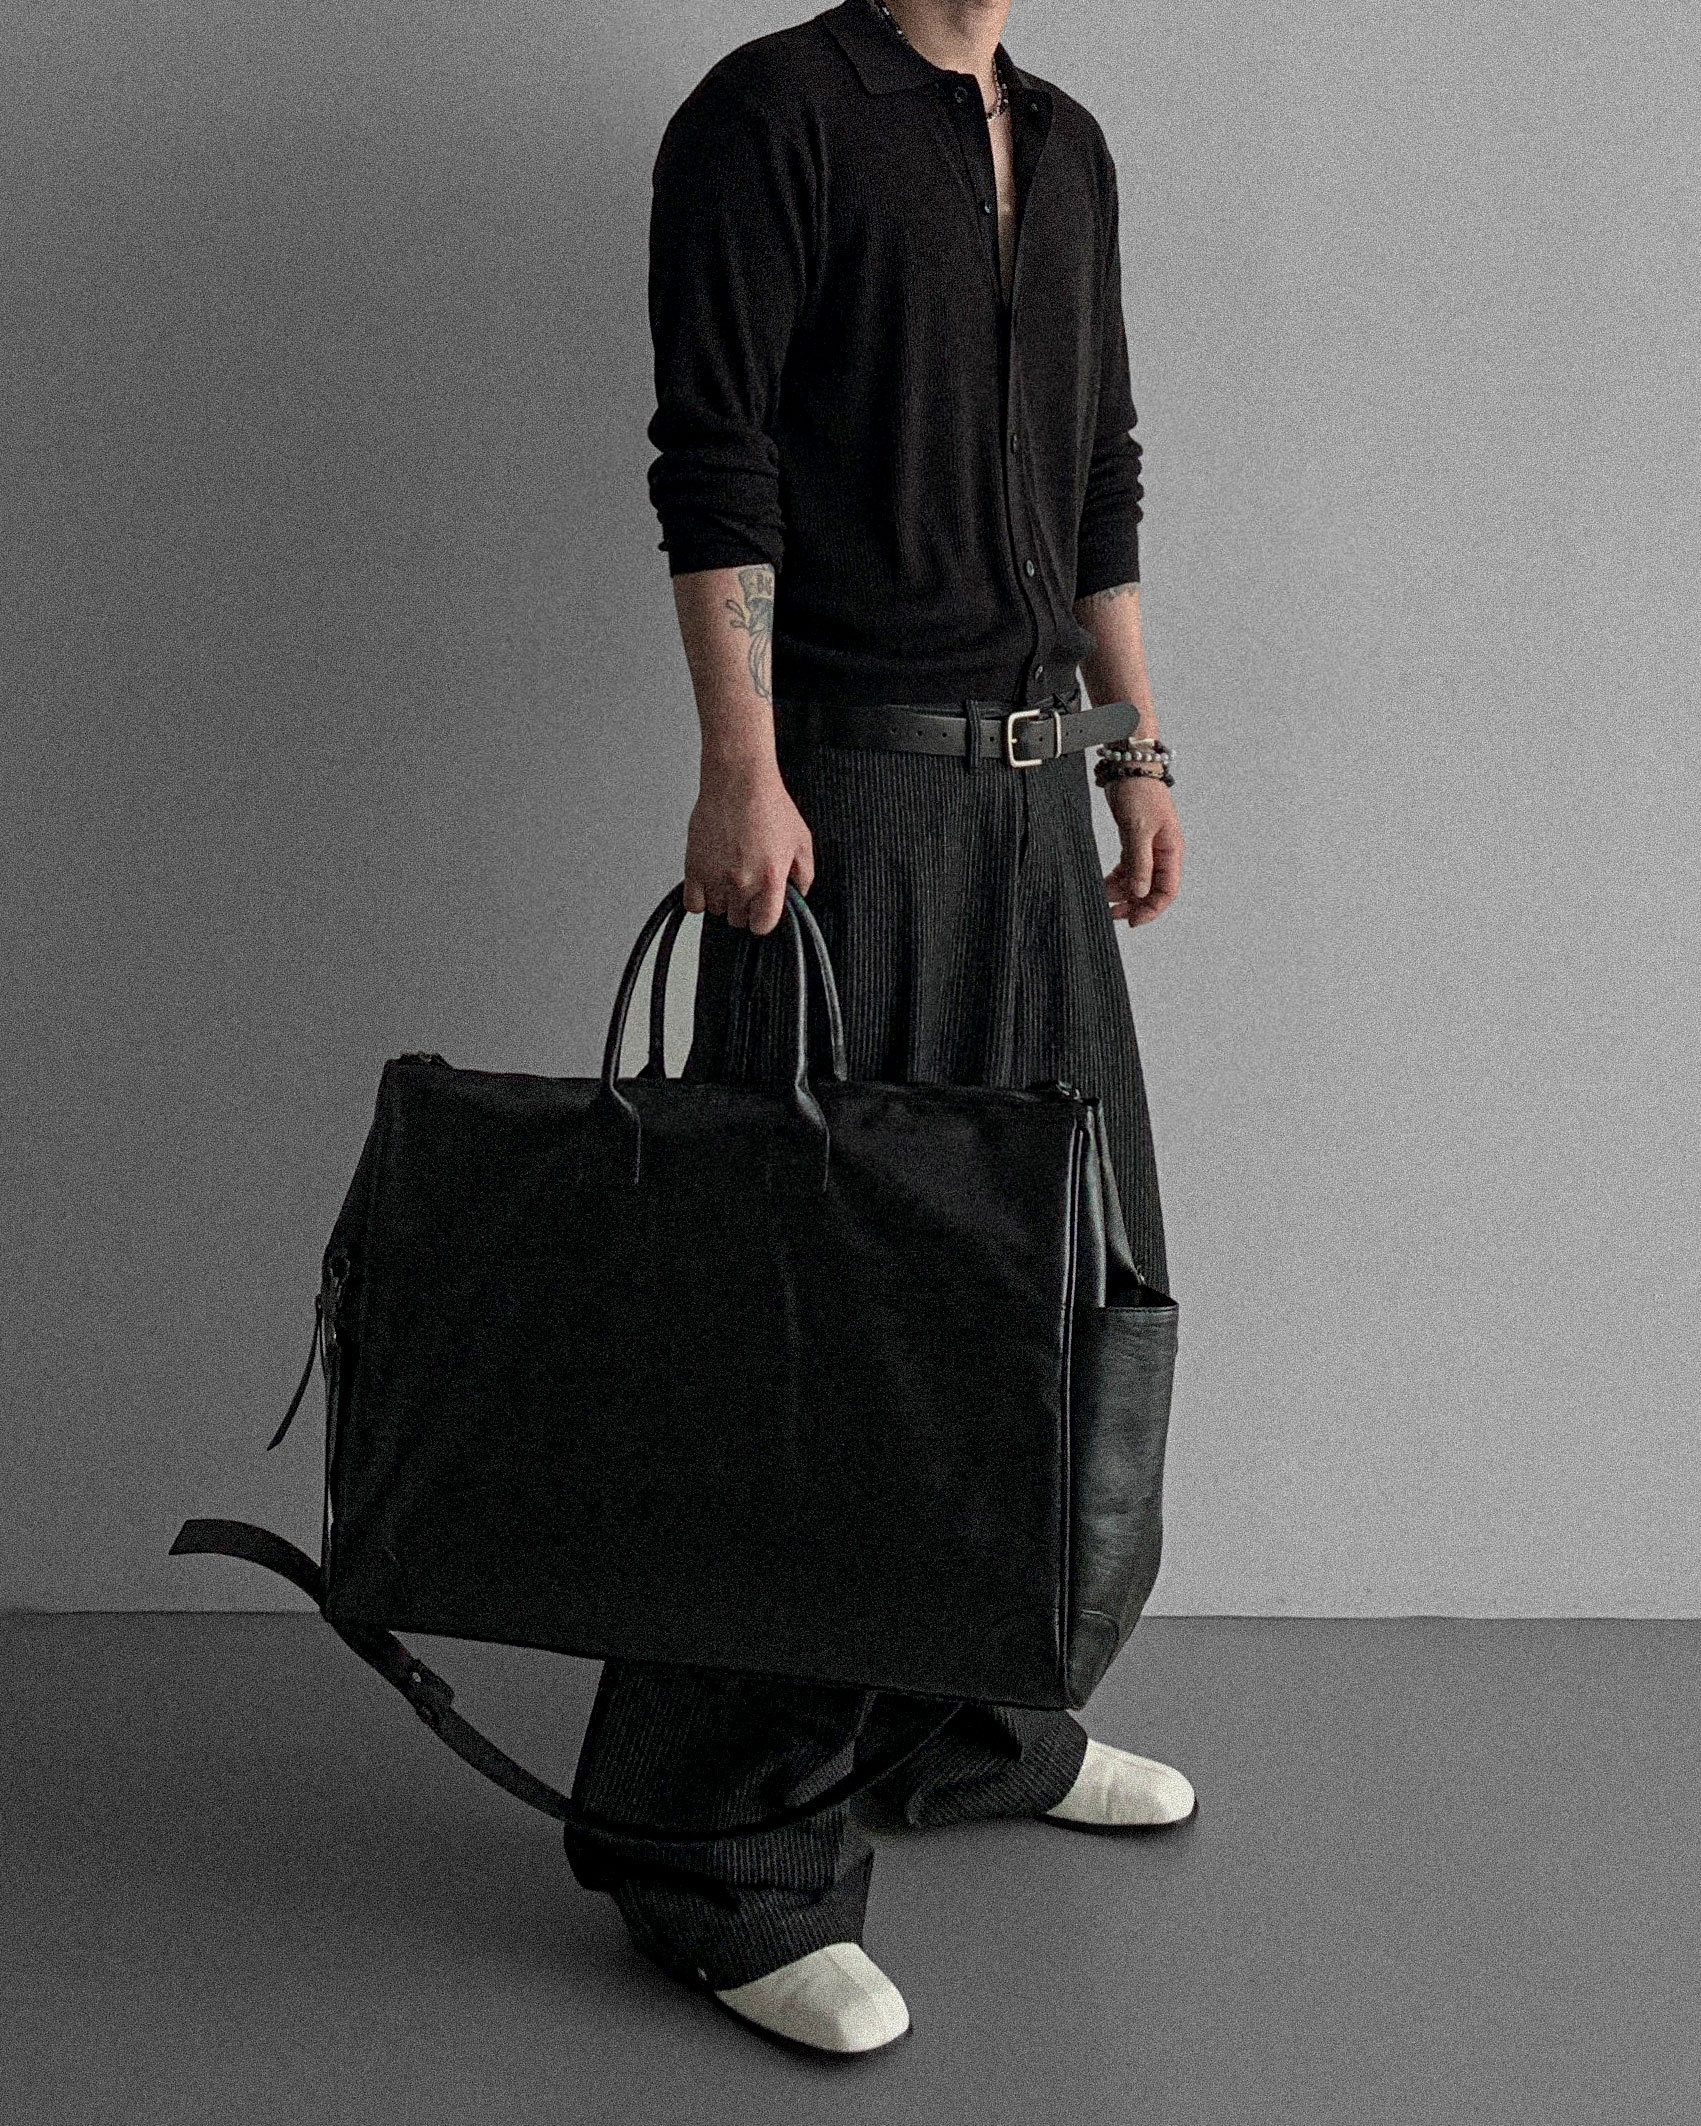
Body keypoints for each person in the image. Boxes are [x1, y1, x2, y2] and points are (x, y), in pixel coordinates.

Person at [567, 0, 1196, 2057]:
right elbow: (716, 457)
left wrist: (1130, 747)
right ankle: (713, 1857)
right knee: (807, 1320)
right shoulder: (771, 116)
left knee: (1055, 1281)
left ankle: (962, 1719)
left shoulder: (1067, 144)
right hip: (845, 795)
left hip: (1030, 798)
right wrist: (736, 764)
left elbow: (1095, 472)